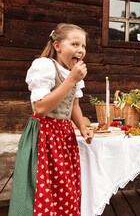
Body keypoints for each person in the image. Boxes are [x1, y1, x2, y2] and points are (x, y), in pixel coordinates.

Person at [9, 23, 94, 216]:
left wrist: (82, 127)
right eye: (74, 44)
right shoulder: (44, 66)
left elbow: (74, 105)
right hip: (44, 134)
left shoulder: (74, 73)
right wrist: (71, 79)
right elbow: (40, 108)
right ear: (57, 46)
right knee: (40, 188)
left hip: (63, 134)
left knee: (64, 188)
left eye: (83, 46)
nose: (80, 50)